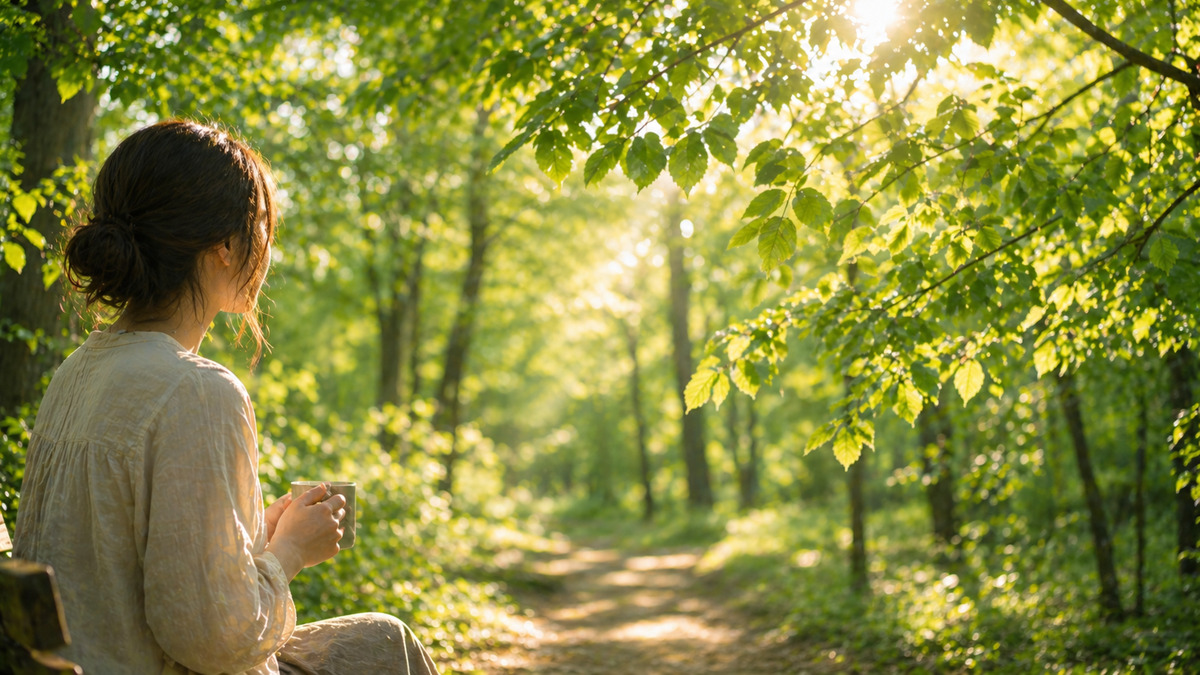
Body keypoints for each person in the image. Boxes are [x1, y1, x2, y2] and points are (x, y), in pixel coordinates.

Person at [12, 120, 440, 675]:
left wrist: (255, 535)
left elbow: (123, 563)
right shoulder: (196, 390)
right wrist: (290, 554)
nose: (267, 249)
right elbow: (216, 641)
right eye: (261, 227)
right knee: (386, 644)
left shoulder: (78, 372)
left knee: (382, 636)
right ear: (225, 246)